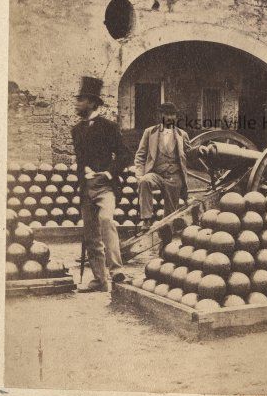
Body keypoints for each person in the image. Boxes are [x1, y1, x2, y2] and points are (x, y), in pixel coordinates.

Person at [71, 76, 131, 293]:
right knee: (91, 235)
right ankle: (99, 280)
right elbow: (80, 160)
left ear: (92, 103)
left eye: (81, 100)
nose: (77, 104)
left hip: (105, 186)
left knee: (106, 221)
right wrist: (82, 175)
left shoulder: (109, 127)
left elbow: (125, 155)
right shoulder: (76, 130)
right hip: (87, 188)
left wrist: (108, 172)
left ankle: (116, 271)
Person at [133, 102, 199, 230]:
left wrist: (199, 150)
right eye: (166, 114)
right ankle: (146, 220)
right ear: (160, 115)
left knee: (170, 214)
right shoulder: (149, 132)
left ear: (176, 117)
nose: (169, 117)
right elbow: (140, 156)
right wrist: (139, 175)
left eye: (172, 114)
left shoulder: (182, 134)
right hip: (156, 173)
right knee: (145, 181)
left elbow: (189, 153)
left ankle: (167, 228)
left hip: (174, 176)